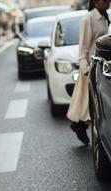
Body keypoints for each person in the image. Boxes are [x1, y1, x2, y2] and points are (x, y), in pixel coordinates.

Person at [66, 0, 110, 144]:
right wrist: (86, 69)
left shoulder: (104, 17)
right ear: (96, 1)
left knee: (87, 101)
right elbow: (83, 49)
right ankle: (79, 126)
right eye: (105, 0)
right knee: (86, 101)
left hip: (101, 65)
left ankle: (78, 125)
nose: (108, 2)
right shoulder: (88, 19)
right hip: (90, 67)